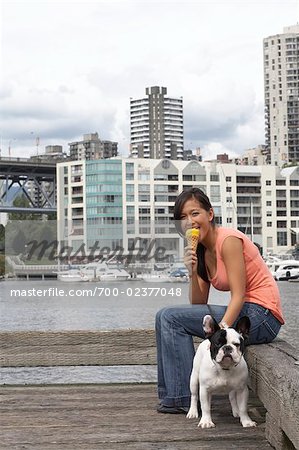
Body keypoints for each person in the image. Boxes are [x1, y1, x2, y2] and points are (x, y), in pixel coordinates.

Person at [156, 187, 284, 414]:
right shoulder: (202, 252)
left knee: (169, 317)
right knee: (167, 317)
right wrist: (192, 270)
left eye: (194, 214)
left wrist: (221, 330)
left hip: (263, 315)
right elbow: (197, 304)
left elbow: (239, 294)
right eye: (182, 218)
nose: (189, 222)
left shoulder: (229, 241)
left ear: (210, 214)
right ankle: (177, 396)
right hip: (246, 310)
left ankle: (181, 398)